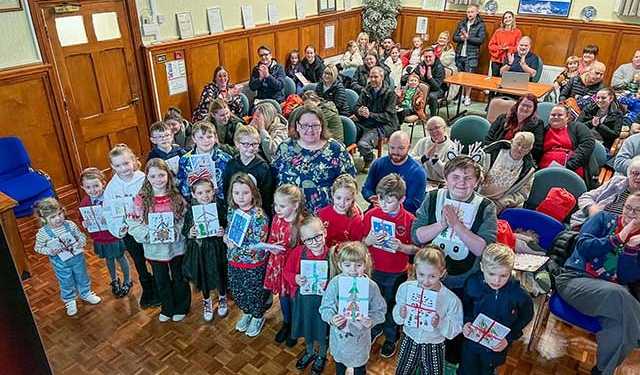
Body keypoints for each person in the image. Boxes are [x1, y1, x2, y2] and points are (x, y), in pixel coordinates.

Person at [555, 192, 640, 375]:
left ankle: (601, 371)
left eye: (637, 210)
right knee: (619, 293)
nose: (631, 213)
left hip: (611, 298)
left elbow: (627, 277)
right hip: (574, 280)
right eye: (628, 207)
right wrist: (617, 238)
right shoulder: (603, 219)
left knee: (618, 329)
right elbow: (583, 247)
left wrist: (631, 249)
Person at [126, 158, 190, 323]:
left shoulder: (176, 197)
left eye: (161, 175)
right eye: (153, 176)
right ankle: (167, 307)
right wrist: (148, 233)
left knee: (179, 276)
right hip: (154, 249)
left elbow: (185, 220)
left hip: (176, 247)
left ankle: (182, 306)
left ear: (168, 176)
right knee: (161, 279)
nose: (158, 180)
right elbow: (132, 221)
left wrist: (177, 231)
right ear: (147, 177)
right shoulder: (141, 199)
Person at [363, 174, 419, 358]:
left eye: (389, 201)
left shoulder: (410, 220)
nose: (383, 204)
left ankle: (390, 337)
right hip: (374, 269)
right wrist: (368, 240)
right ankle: (376, 327)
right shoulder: (371, 215)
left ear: (402, 199)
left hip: (397, 272)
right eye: (380, 199)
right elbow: (360, 242)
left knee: (394, 305)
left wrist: (402, 247)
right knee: (373, 302)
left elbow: (416, 250)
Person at [458, 243, 534, 375]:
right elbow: (466, 305)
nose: (497, 280)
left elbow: (527, 315)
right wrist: (467, 322)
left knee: (488, 371)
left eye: (504, 275)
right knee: (466, 370)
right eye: (491, 274)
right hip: (471, 343)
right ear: (482, 267)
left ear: (511, 271)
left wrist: (509, 338)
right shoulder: (472, 283)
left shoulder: (519, 294)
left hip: (495, 347)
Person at [272, 105, 356, 213]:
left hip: (325, 215)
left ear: (322, 126)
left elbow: (349, 182)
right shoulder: (285, 148)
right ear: (297, 125)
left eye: (315, 125)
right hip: (289, 213)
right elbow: (274, 178)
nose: (310, 130)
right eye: (305, 125)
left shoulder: (336, 149)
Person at [393, 245, 463, 375]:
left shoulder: (451, 299)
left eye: (432, 276)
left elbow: (456, 327)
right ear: (415, 270)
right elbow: (398, 310)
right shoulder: (406, 288)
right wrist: (400, 313)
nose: (426, 281)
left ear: (442, 273)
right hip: (409, 338)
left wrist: (440, 323)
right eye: (421, 274)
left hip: (434, 344)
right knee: (403, 371)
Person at [104, 143, 159, 309]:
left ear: (134, 161)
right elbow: (108, 210)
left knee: (155, 259)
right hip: (129, 232)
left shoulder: (144, 179)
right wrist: (119, 227)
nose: (123, 168)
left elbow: (156, 200)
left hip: (148, 227)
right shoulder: (112, 188)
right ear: (113, 167)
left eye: (126, 163)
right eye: (118, 165)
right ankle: (147, 289)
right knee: (139, 261)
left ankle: (160, 287)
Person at [319, 241, 386, 375]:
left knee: (360, 368)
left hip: (360, 342)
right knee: (340, 366)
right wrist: (332, 318)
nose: (353, 270)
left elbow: (380, 311)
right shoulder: (335, 283)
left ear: (365, 264)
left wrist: (371, 320)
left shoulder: (371, 286)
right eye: (347, 265)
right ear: (340, 265)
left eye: (358, 265)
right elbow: (325, 307)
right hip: (339, 340)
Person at [34, 197, 102, 316]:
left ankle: (85, 293)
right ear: (44, 219)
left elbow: (80, 235)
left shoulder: (70, 225)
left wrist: (82, 241)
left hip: (77, 258)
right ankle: (70, 300)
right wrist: (50, 250)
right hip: (60, 263)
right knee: (66, 281)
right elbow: (38, 248)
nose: (58, 218)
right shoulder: (43, 233)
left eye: (60, 214)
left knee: (82, 277)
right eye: (53, 217)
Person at [223, 172, 270, 337]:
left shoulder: (259, 216)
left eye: (245, 193)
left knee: (254, 293)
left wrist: (235, 247)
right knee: (238, 291)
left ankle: (257, 316)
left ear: (253, 193)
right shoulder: (232, 210)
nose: (241, 197)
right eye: (236, 193)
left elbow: (258, 245)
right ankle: (247, 312)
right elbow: (230, 230)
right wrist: (225, 237)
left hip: (253, 265)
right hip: (233, 262)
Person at [284, 216, 331, 375]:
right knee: (307, 328)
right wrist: (295, 278)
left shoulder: (332, 255)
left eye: (318, 236)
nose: (315, 242)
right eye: (309, 240)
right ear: (302, 240)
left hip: (324, 302)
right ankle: (310, 352)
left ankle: (322, 355)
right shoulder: (297, 253)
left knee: (323, 330)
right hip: (303, 302)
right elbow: (286, 272)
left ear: (324, 232)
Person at [79, 168, 131, 297]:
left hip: (113, 235)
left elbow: (119, 213)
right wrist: (84, 223)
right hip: (99, 237)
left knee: (121, 257)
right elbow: (81, 217)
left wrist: (109, 217)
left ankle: (127, 280)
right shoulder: (85, 202)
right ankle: (114, 280)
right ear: (83, 187)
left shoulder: (110, 198)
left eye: (96, 185)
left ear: (103, 183)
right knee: (108, 259)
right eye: (88, 187)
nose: (93, 190)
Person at [265, 184, 307, 347]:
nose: (277, 209)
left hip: (295, 269)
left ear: (295, 205)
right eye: (276, 205)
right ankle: (287, 323)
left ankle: (296, 328)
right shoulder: (276, 219)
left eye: (282, 206)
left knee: (294, 298)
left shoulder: (302, 224)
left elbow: (305, 250)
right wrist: (272, 247)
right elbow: (272, 238)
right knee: (283, 297)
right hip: (278, 265)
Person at [182, 177, 228, 322]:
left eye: (208, 191)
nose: (205, 195)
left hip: (217, 246)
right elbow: (185, 229)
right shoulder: (190, 211)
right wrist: (191, 232)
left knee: (220, 272)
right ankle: (207, 300)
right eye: (200, 193)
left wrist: (223, 231)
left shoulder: (219, 206)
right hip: (200, 248)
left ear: (213, 191)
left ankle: (222, 297)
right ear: (194, 194)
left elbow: (227, 223)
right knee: (203, 274)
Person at [362, 131, 426, 214]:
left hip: (402, 215)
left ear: (409, 147)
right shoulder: (378, 164)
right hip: (377, 209)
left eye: (401, 148)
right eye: (392, 148)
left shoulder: (418, 172)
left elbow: (414, 204)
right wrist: (371, 197)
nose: (395, 152)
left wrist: (389, 205)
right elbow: (366, 188)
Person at [570, 156, 640, 228]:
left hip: (619, 234)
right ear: (628, 173)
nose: (638, 177)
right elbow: (585, 197)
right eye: (635, 173)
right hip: (590, 223)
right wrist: (592, 207)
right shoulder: (616, 182)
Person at [222, 125, 275, 217]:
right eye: (246, 144)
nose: (251, 148)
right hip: (235, 211)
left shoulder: (263, 167)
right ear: (237, 144)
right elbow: (227, 190)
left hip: (257, 214)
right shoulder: (231, 165)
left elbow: (267, 195)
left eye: (254, 144)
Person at [539, 105, 598, 187]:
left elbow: (588, 143)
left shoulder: (577, 127)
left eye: (560, 115)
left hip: (572, 169)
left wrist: (570, 165)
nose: (556, 117)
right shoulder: (544, 130)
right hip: (545, 172)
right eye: (553, 115)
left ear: (567, 117)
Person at [354, 66, 398, 171]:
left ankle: (369, 158)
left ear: (382, 77)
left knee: (363, 144)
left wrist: (370, 115)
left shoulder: (390, 93)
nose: (372, 79)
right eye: (371, 77)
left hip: (383, 125)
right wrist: (359, 111)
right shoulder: (366, 90)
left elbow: (388, 116)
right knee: (349, 134)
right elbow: (356, 106)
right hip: (366, 121)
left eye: (376, 77)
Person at [480, 131, 536, 213]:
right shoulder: (491, 153)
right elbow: (476, 167)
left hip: (499, 204)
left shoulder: (529, 171)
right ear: (512, 142)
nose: (520, 148)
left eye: (524, 147)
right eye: (518, 144)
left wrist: (502, 203)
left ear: (529, 150)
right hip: (478, 194)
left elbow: (523, 194)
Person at [177, 121, 232, 201]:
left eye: (209, 137)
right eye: (201, 137)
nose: (206, 140)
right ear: (194, 138)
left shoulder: (226, 159)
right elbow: (183, 191)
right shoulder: (185, 160)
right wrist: (188, 183)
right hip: (196, 205)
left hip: (223, 204)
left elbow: (232, 185)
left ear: (215, 137)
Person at [485, 93, 544, 161]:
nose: (525, 108)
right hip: (495, 155)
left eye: (529, 106)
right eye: (523, 105)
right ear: (518, 105)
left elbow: (537, 149)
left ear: (534, 109)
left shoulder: (537, 124)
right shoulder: (502, 118)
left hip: (519, 160)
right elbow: (488, 138)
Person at [453, 4, 487, 106]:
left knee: (469, 78)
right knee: (460, 77)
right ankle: (460, 96)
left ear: (477, 12)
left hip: (471, 56)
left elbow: (481, 40)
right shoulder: (462, 23)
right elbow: (454, 38)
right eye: (468, 12)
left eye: (472, 12)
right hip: (460, 54)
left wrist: (468, 38)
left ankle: (467, 96)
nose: (470, 14)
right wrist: (461, 39)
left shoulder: (481, 25)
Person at [318, 174, 364, 247]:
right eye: (338, 198)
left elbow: (356, 245)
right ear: (332, 194)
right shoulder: (322, 213)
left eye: (347, 199)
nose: (342, 203)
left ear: (353, 198)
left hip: (345, 255)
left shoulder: (355, 219)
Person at [410, 116, 456, 188]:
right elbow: (411, 162)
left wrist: (435, 160)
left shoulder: (451, 147)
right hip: (422, 180)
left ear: (444, 128)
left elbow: (448, 173)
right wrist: (424, 158)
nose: (434, 131)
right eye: (430, 129)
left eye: (437, 128)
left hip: (440, 183)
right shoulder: (422, 142)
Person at [488, 11, 522, 77]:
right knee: (494, 79)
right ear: (503, 20)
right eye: (505, 18)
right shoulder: (498, 32)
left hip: (509, 60)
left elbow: (518, 47)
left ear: (513, 19)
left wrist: (508, 48)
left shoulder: (517, 32)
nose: (507, 19)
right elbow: (491, 46)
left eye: (509, 17)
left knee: (505, 80)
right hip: (497, 59)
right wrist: (500, 48)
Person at [415, 47, 446, 117]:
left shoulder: (439, 67)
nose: (428, 59)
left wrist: (430, 77)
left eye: (430, 57)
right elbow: (414, 76)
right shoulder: (422, 64)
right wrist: (421, 76)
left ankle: (433, 116)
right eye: (426, 57)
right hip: (426, 87)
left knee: (432, 96)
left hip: (438, 89)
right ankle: (418, 113)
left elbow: (436, 87)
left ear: (434, 56)